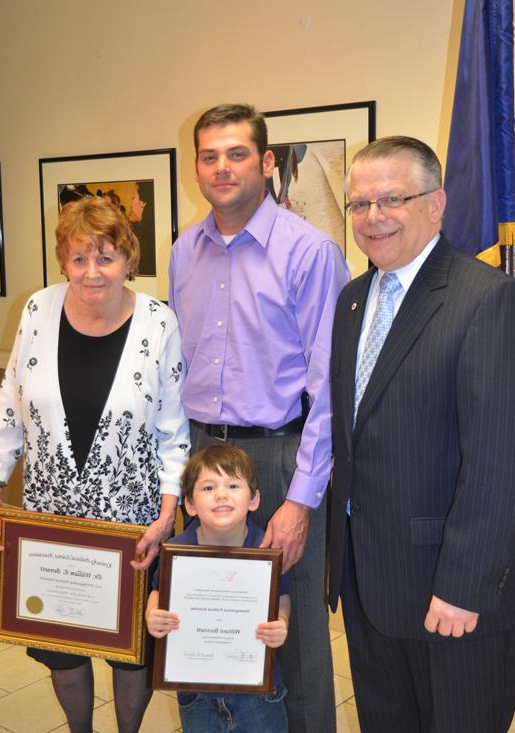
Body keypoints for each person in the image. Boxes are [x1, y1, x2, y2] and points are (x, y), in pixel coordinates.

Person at [328, 136, 515, 733]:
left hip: (449, 594)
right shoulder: (352, 301)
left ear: (437, 203)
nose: (373, 217)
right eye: (359, 204)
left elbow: (500, 464)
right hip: (369, 582)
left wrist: (463, 586)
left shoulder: (489, 301)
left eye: (392, 199)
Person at [168, 103, 349, 732]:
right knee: (208, 620)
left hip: (279, 457)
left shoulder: (310, 252)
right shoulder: (183, 251)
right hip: (199, 456)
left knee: (290, 638)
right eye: (209, 155)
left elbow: (330, 389)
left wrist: (299, 501)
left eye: (237, 153)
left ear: (268, 162)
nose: (222, 167)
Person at [0, 196, 190, 733]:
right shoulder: (37, 309)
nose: (92, 271)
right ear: (63, 260)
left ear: (129, 260)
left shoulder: (157, 321)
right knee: (64, 646)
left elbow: (173, 427)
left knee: (129, 650)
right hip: (52, 517)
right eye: (79, 258)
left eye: (107, 257)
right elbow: (11, 401)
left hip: (131, 521)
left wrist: (167, 514)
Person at [147, 444, 291, 732]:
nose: (222, 494)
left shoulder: (266, 551)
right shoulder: (177, 550)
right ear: (189, 503)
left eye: (233, 485)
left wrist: (282, 622)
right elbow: (157, 591)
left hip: (259, 692)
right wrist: (153, 614)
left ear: (253, 499)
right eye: (209, 487)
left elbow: (282, 595)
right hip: (196, 692)